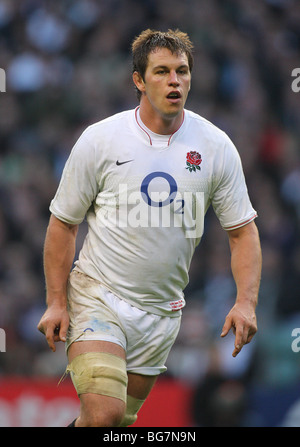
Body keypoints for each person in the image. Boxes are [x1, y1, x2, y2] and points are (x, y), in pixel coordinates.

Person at [37, 29, 262, 427]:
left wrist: (246, 302)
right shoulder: (100, 140)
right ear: (139, 81)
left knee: (113, 422)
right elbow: (63, 224)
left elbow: (242, 231)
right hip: (98, 295)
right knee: (104, 414)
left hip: (161, 313)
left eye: (182, 71)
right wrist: (56, 301)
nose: (174, 81)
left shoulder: (216, 146)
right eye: (161, 71)